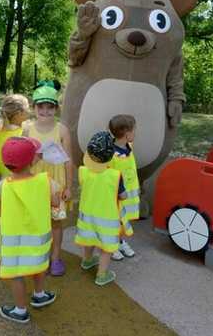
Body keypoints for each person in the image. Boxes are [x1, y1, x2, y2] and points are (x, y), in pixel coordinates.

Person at [0, 137, 59, 324]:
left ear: (6, 164)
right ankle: (39, 295)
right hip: (38, 238)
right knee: (39, 266)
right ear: (32, 161)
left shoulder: (3, 186)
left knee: (17, 275)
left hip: (13, 241)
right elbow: (55, 202)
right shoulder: (45, 182)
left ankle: (20, 310)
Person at [23, 81, 73, 276]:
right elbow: (23, 160)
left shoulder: (62, 130)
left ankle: (55, 257)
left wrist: (69, 187)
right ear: (34, 107)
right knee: (35, 222)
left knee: (55, 222)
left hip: (56, 184)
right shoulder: (27, 129)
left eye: (50, 106)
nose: (45, 110)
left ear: (56, 108)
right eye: (40, 106)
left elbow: (69, 161)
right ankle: (39, 256)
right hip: (34, 181)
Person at [75, 131, 133, 286]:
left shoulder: (83, 171)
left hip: (87, 215)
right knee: (106, 248)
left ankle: (87, 261)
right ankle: (102, 274)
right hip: (107, 219)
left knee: (89, 239)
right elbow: (123, 196)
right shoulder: (115, 176)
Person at [108, 114, 139, 260]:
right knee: (116, 222)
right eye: (134, 130)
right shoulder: (111, 156)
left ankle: (120, 241)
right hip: (118, 197)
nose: (136, 133)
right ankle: (112, 244)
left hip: (131, 196)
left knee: (125, 221)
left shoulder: (129, 147)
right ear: (127, 134)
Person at [0, 94, 30, 177]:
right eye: (28, 107)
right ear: (19, 113)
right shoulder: (22, 134)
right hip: (15, 179)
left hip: (0, 178)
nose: (29, 111)